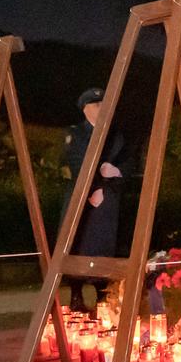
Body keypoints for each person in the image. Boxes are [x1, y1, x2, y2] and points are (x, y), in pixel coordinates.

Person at [61, 87, 127, 312]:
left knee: (103, 245)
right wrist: (93, 187)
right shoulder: (76, 133)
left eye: (103, 105)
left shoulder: (115, 134)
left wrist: (117, 171)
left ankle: (102, 298)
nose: (101, 109)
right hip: (83, 197)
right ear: (85, 108)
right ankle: (76, 295)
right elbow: (76, 163)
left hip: (107, 198)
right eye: (96, 105)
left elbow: (128, 161)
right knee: (79, 244)